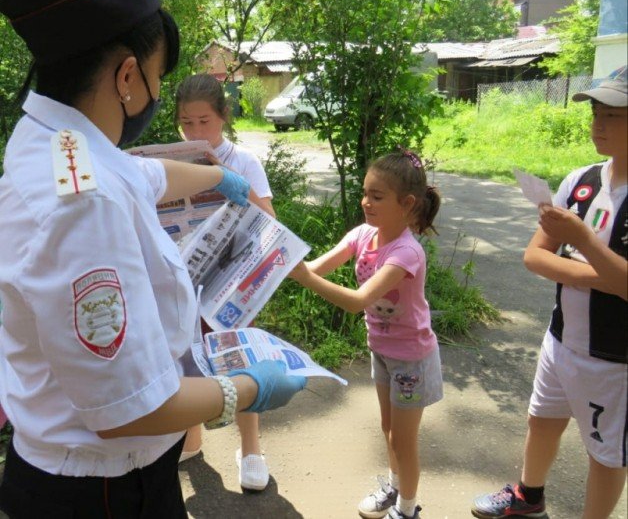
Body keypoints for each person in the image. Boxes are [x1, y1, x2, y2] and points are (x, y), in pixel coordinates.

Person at [0, 0, 305, 517]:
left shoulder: (57, 142)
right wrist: (249, 387)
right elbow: (129, 410)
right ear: (126, 75)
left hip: (73, 473)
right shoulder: (84, 204)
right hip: (105, 491)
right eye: (158, 75)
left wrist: (214, 180)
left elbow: (140, 173)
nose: (158, 93)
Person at [471, 66, 627, 519]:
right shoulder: (581, 181)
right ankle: (528, 497)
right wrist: (597, 274)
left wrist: (580, 246)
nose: (598, 122)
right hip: (561, 340)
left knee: (606, 454)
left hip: (614, 358)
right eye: (596, 110)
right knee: (541, 421)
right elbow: (535, 257)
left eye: (613, 114)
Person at [289, 149, 443, 519]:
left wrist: (304, 277)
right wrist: (285, 261)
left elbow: (358, 301)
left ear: (406, 204)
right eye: (365, 193)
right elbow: (315, 267)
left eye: (377, 196)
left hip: (411, 359)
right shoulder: (363, 234)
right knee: (389, 429)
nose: (365, 202)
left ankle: (407, 509)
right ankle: (394, 489)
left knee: (403, 441)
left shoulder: (406, 252)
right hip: (382, 351)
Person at [175, 73, 275, 490]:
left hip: (233, 281)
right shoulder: (172, 160)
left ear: (223, 117)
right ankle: (191, 435)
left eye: (205, 121)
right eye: (187, 123)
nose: (197, 132)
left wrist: (221, 177)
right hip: (184, 277)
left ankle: (250, 447)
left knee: (238, 359)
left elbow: (271, 222)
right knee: (184, 356)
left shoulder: (244, 161)